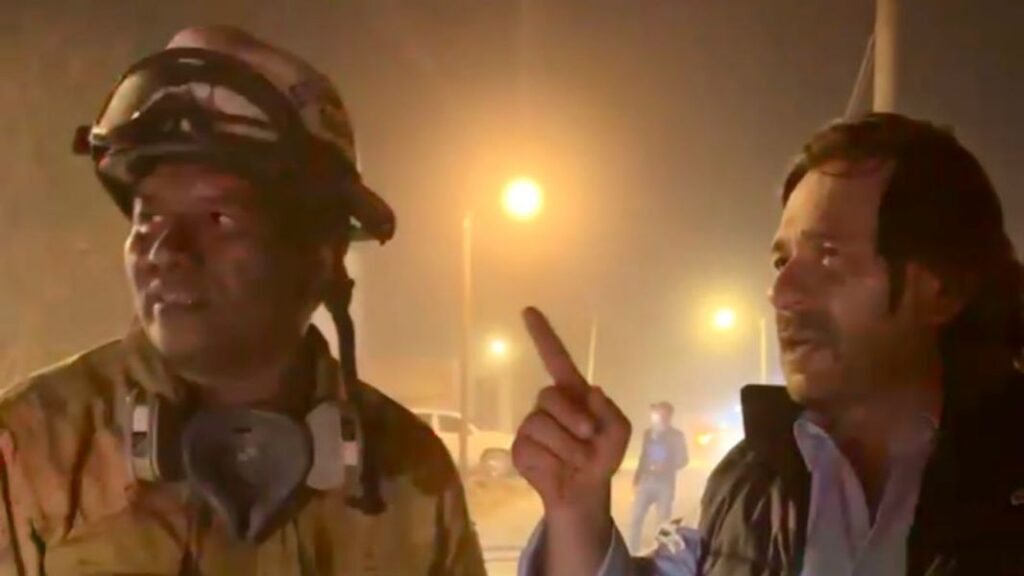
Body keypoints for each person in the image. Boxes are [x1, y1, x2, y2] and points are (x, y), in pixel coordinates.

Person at [0, 26, 485, 575]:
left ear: (321, 254)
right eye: (148, 217)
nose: (166, 250)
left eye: (217, 218)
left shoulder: (410, 472)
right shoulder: (30, 448)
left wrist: (564, 536)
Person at [513, 113, 1024, 575]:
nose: (781, 293)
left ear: (941, 289)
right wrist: (577, 512)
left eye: (828, 254)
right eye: (782, 262)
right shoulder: (750, 482)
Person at [628, 401, 688, 552]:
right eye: (657, 413)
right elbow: (643, 456)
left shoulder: (676, 436)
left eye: (662, 413)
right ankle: (633, 551)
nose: (658, 416)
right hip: (646, 482)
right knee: (636, 519)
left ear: (669, 416)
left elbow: (684, 460)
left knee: (664, 523)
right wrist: (637, 476)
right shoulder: (648, 433)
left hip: (665, 484)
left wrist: (667, 466)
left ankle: (662, 552)